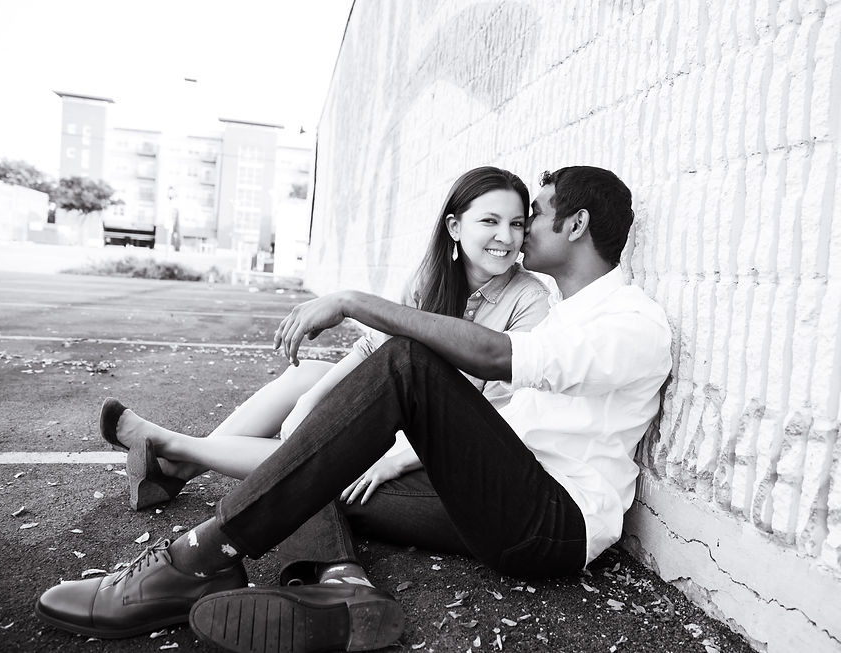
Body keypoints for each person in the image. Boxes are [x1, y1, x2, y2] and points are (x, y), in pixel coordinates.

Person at [35, 166, 673, 653]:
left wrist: (353, 301)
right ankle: (345, 590)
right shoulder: (570, 312)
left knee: (409, 361)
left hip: (551, 523)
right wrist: (393, 451)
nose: (522, 228)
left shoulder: (630, 324)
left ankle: (194, 560)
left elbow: (495, 358)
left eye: (536, 214)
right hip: (496, 499)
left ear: (578, 225)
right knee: (326, 464)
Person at [98, 166, 549, 509]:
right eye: (489, 221)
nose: (505, 238)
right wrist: (309, 402)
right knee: (308, 377)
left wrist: (395, 458)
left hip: (436, 446)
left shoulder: (529, 298)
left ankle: (172, 447)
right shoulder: (431, 279)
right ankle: (178, 470)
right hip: (399, 410)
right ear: (455, 227)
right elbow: (372, 346)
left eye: (515, 224)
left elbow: (501, 413)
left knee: (321, 445)